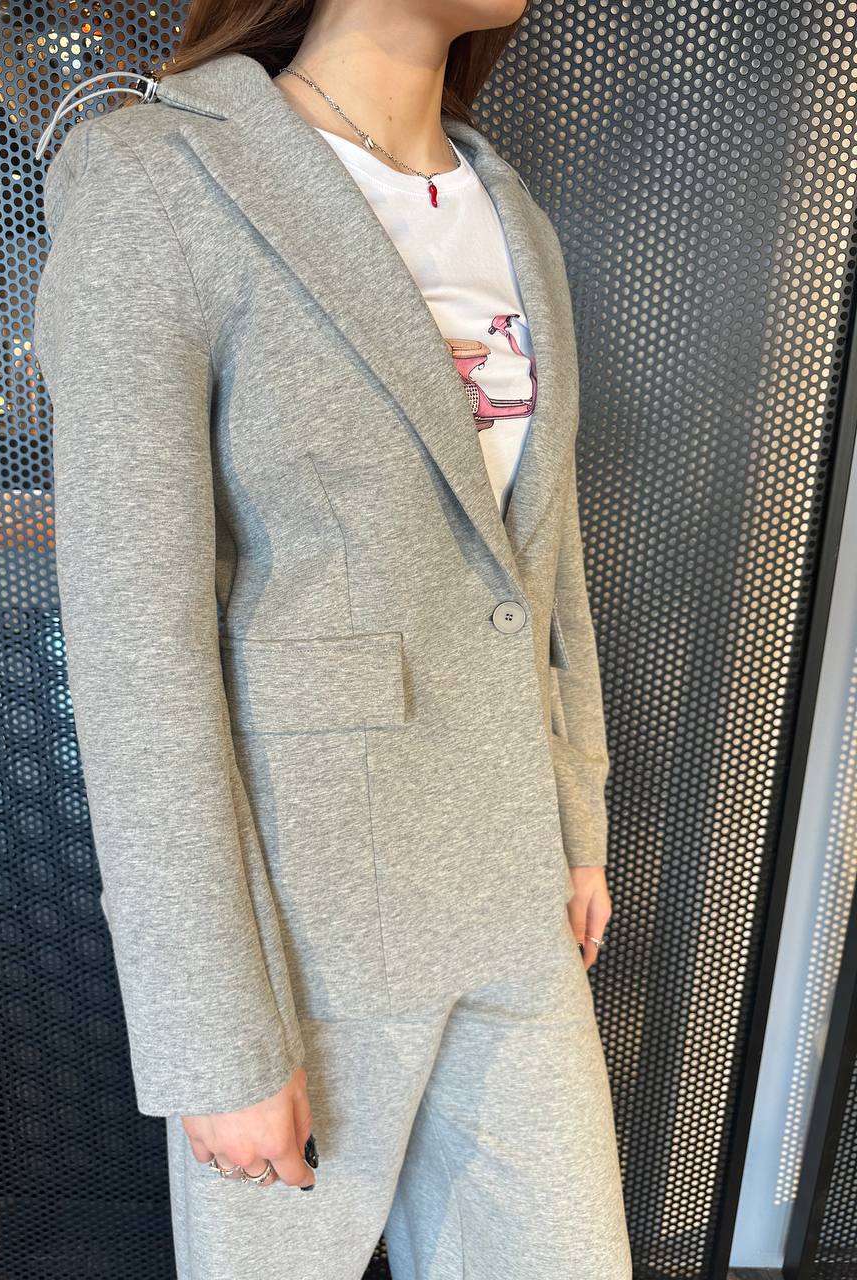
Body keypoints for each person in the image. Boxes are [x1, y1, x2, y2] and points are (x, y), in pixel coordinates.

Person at [33, 1, 632, 1276]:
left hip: (512, 892)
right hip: (309, 928)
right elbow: (137, 650)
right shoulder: (160, 176)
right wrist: (212, 1036)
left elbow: (547, 552)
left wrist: (574, 816)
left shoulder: (508, 210)